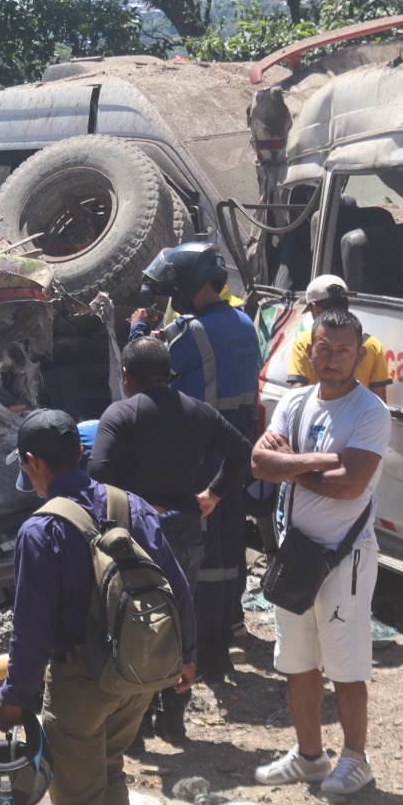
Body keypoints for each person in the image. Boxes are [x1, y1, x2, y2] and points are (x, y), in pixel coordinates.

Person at [0, 409, 197, 805]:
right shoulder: (131, 506)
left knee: (78, 804)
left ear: (33, 462)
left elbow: (30, 632)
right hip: (139, 675)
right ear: (80, 453)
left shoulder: (41, 530)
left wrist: (17, 697)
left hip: (82, 683)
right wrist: (186, 654)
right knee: (109, 770)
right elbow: (176, 586)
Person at [249, 307, 390, 795]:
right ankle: (310, 755)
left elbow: (351, 485)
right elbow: (259, 461)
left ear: (360, 354)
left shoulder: (371, 412)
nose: (332, 359)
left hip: (344, 559)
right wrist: (320, 461)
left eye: (343, 350)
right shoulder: (295, 401)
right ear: (310, 350)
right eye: (324, 348)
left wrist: (290, 465)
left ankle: (357, 758)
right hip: (296, 555)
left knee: (346, 666)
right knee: (297, 661)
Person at [88, 336, 252, 744]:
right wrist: (212, 495)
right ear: (169, 373)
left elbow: (98, 474)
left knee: (131, 619)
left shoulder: (120, 415)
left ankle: (137, 725)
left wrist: (129, 506)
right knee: (179, 617)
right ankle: (173, 717)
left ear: (127, 376)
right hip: (183, 528)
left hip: (132, 534)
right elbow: (242, 453)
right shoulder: (199, 412)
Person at [130, 241, 258, 679]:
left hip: (201, 456)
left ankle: (204, 650)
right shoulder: (244, 322)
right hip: (236, 452)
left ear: (188, 285)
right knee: (229, 547)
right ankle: (228, 629)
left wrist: (137, 331)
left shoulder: (192, 332)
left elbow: (146, 366)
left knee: (201, 555)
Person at [286, 275, 392, 400]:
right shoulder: (373, 345)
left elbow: (297, 394)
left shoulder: (305, 342)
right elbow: (380, 401)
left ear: (316, 308)